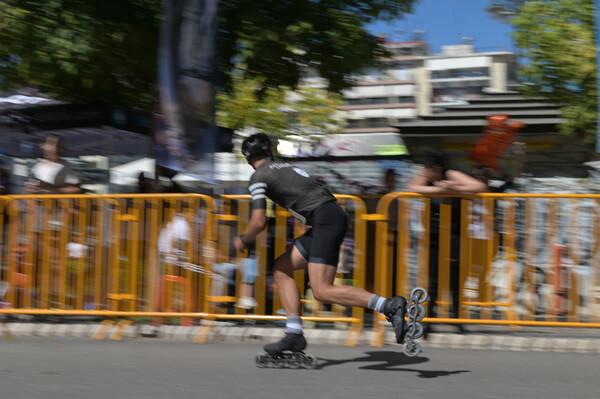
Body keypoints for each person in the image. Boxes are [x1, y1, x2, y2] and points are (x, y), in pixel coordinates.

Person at [233, 133, 409, 355]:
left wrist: (244, 239)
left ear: (247, 159)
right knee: (281, 268)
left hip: (325, 220)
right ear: (270, 152)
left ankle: (388, 306)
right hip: (328, 217)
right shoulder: (283, 167)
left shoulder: (259, 177)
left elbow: (258, 221)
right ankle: (294, 334)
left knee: (323, 291)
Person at [406, 150, 487, 334]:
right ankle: (429, 321)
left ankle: (457, 319)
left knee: (455, 279)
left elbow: (479, 187)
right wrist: (440, 190)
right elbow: (412, 188)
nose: (423, 172)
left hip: (454, 235)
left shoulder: (451, 174)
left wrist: (454, 189)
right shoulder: (424, 178)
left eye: (426, 168)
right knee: (432, 280)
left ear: (436, 169)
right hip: (433, 236)